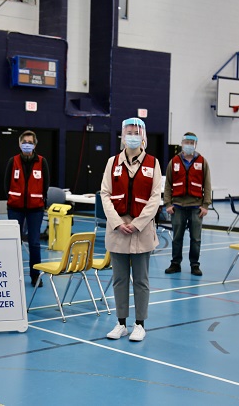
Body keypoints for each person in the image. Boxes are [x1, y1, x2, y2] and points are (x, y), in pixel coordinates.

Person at [101, 118, 161, 342]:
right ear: (122, 135)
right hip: (117, 231)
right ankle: (121, 323)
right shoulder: (112, 162)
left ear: (143, 135)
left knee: (141, 280)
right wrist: (117, 222)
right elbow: (105, 194)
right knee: (119, 279)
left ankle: (140, 324)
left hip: (141, 230)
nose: (133, 135)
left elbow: (156, 197)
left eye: (137, 131)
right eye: (129, 131)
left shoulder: (153, 163)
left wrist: (137, 223)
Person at [4, 130, 50, 287]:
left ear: (35, 144)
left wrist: (39, 201)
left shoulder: (42, 162)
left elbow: (46, 185)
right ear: (19, 143)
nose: (27, 145)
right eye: (25, 142)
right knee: (13, 242)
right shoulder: (13, 161)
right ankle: (12, 274)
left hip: (35, 210)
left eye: (30, 142)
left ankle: (35, 275)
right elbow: (6, 184)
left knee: (34, 243)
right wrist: (13, 200)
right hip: (15, 208)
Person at [163, 132, 212, 276]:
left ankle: (194, 265)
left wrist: (206, 205)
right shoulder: (174, 161)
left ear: (195, 144)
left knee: (196, 238)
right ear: (182, 143)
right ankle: (175, 263)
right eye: (187, 142)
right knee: (177, 238)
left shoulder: (202, 162)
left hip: (196, 207)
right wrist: (168, 204)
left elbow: (207, 185)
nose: (189, 145)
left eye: (192, 143)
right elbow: (168, 184)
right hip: (177, 207)